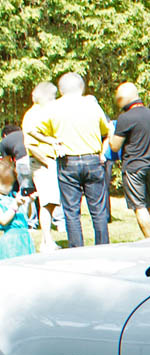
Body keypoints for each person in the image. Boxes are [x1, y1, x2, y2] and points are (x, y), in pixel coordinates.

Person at [35, 72, 113, 247]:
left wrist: (52, 141)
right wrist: (103, 152)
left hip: (67, 162)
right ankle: (103, 247)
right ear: (82, 88)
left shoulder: (53, 107)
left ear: (61, 90)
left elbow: (34, 130)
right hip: (92, 160)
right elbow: (107, 130)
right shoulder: (92, 106)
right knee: (98, 210)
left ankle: (77, 249)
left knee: (71, 211)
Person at [106, 82, 150, 238]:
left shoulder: (126, 118)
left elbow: (115, 146)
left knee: (139, 207)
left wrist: (110, 131)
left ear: (123, 99)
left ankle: (149, 241)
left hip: (133, 168)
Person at [21, 82, 62, 252]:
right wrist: (48, 163)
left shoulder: (38, 113)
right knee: (47, 202)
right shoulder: (34, 115)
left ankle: (47, 240)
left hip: (46, 161)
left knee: (51, 203)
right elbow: (31, 145)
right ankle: (46, 241)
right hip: (42, 163)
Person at [0, 160, 36, 260]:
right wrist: (15, 205)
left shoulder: (13, 196)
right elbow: (3, 220)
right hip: (11, 242)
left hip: (25, 237)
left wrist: (29, 202)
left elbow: (27, 216)